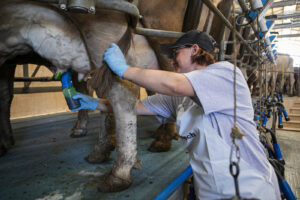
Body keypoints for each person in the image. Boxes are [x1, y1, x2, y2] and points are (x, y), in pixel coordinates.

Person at [72, 30, 280, 199]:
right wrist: (92, 103)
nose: (171, 62)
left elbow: (173, 84)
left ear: (195, 50)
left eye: (175, 55)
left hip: (250, 188)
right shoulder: (177, 99)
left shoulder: (226, 73)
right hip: (208, 190)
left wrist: (124, 70)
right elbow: (132, 107)